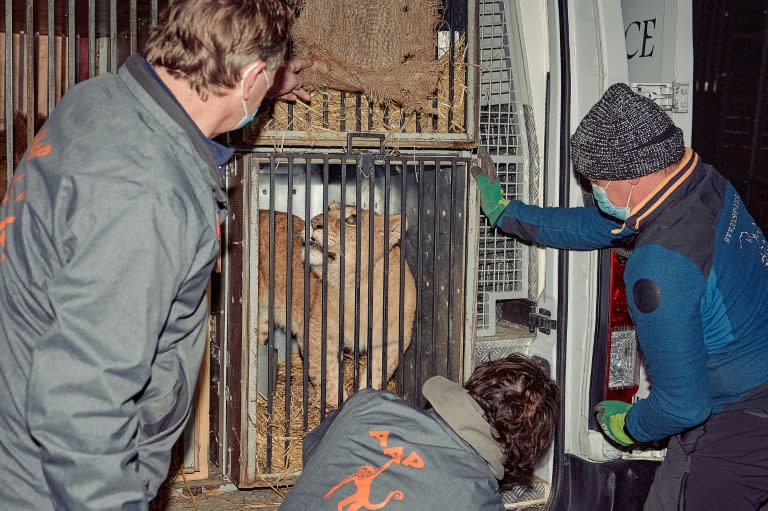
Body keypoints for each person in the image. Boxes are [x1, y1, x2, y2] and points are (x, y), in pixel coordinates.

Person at [0, 1, 312, 509]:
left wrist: (264, 84)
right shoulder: (147, 198)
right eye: (265, 76)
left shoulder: (98, 100)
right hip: (52, 484)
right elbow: (80, 405)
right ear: (249, 74)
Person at [473, 82, 768, 510]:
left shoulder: (659, 268)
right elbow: (600, 225)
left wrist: (629, 424)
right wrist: (509, 215)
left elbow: (683, 407)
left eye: (595, 182)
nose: (594, 193)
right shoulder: (704, 186)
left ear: (633, 177)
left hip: (741, 422)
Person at [279, 353, 560, 511]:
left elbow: (315, 454)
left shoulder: (368, 404)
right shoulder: (478, 501)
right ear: (527, 448)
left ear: (474, 383)